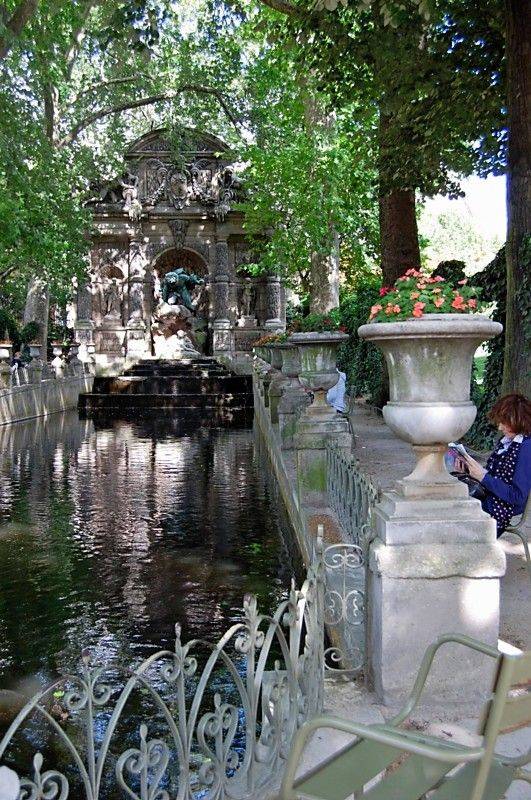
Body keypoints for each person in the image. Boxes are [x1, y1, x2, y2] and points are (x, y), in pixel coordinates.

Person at [462, 393, 531, 536]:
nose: (500, 427)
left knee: (451, 511)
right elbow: (494, 475)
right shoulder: (510, 441)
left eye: (503, 423)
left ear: (517, 420)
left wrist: (483, 477)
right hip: (489, 497)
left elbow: (518, 496)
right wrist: (469, 469)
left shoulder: (526, 447)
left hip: (499, 508)